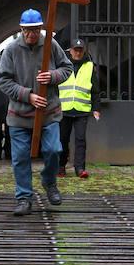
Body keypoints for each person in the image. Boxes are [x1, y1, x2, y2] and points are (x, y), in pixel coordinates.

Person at [0, 9, 71, 216]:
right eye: (28, 31)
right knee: (20, 157)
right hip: (19, 115)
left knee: (54, 150)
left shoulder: (51, 45)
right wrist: (27, 95)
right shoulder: (11, 50)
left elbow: (67, 67)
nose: (32, 35)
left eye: (36, 30)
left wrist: (53, 76)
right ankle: (24, 198)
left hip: (49, 113)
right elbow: (3, 80)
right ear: (21, 29)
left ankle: (49, 182)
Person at [58, 38, 101, 179]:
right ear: (70, 51)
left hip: (82, 110)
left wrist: (96, 108)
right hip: (64, 109)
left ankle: (80, 168)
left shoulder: (89, 66)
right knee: (63, 140)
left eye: (80, 50)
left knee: (81, 140)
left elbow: (95, 89)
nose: (77, 53)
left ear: (83, 51)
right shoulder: (62, 64)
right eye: (75, 50)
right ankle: (61, 167)